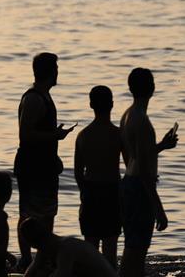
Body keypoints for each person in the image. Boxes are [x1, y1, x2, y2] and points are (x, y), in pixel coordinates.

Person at [14, 52, 75, 271]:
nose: (58, 72)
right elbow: (26, 134)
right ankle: (28, 259)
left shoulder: (43, 96)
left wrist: (53, 148)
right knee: (31, 213)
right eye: (56, 68)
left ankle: (41, 258)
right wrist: (55, 136)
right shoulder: (33, 98)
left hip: (43, 164)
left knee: (46, 213)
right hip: (33, 167)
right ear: (50, 72)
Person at [118, 68, 178, 277]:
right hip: (139, 188)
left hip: (128, 181)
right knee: (137, 250)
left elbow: (133, 156)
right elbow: (143, 169)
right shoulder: (142, 121)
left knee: (132, 245)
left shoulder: (127, 115)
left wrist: (160, 146)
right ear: (152, 89)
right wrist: (158, 207)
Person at [74, 86, 123, 268]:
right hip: (111, 193)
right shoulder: (118, 134)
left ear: (90, 105)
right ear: (111, 104)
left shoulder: (83, 136)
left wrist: (84, 193)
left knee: (91, 252)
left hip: (90, 193)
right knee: (110, 252)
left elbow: (79, 173)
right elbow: (133, 161)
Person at [21, 218, 117, 277]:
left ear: (34, 244)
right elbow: (32, 271)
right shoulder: (47, 246)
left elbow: (61, 275)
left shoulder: (66, 248)